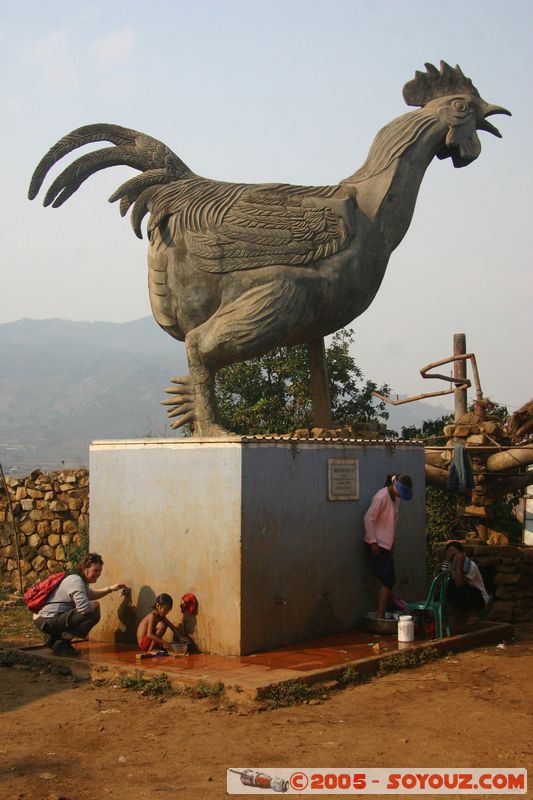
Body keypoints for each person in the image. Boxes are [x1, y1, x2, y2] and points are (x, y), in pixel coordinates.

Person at [33, 553, 126, 657]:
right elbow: (84, 609)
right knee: (93, 613)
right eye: (95, 570)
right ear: (84, 568)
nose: (98, 574)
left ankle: (54, 641)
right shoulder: (76, 581)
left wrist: (110, 589)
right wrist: (96, 604)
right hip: (46, 620)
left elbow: (91, 594)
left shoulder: (78, 579)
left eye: (99, 571)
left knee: (91, 608)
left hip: (46, 618)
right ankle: (61, 642)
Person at [363, 473, 413, 621]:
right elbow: (368, 518)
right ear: (395, 486)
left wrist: (392, 544)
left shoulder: (396, 499)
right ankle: (380, 614)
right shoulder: (381, 497)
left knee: (387, 578)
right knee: (388, 579)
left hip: (387, 544)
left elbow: (393, 522)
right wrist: (373, 541)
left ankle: (383, 608)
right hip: (376, 544)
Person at [443, 541, 490, 622]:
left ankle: (473, 614)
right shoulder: (451, 565)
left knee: (463, 587)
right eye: (449, 552)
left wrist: (459, 564)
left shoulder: (471, 565)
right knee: (450, 585)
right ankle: (457, 613)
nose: (452, 555)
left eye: (454, 552)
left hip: (478, 598)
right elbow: (443, 576)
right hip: (463, 596)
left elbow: (460, 582)